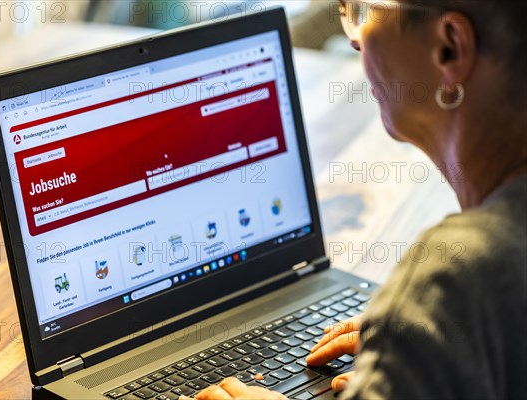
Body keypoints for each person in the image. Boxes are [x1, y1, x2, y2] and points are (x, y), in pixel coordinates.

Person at [184, 0, 527, 399]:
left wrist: (437, 316)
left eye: (363, 10)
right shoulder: (471, 299)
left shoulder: (462, 273)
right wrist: (424, 350)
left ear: (449, 48)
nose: (355, 41)